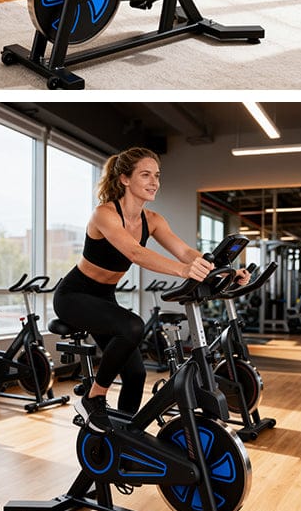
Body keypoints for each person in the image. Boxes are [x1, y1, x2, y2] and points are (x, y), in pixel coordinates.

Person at [52, 146, 246, 431]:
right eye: (145, 175)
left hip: (104, 296)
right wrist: (184, 271)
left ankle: (125, 437)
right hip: (74, 295)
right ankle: (93, 398)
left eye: (157, 175)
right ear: (124, 180)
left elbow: (184, 251)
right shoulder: (105, 214)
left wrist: (224, 270)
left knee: (136, 373)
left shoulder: (153, 220)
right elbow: (136, 254)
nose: (154, 181)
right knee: (133, 326)